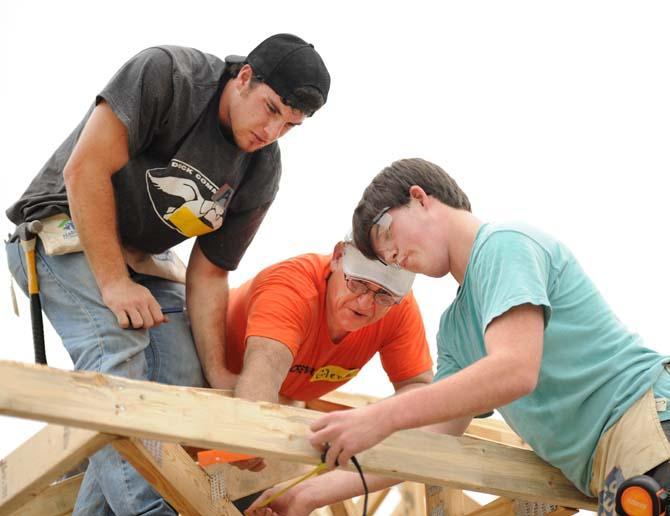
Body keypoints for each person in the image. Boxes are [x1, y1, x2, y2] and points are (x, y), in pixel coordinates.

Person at [5, 34, 330, 516]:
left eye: (290, 124)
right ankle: (151, 510)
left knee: (181, 375)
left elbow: (210, 273)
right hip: (64, 225)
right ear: (244, 78)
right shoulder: (169, 77)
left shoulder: (261, 169)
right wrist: (114, 284)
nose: (272, 130)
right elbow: (85, 170)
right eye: (269, 109)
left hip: (142, 258)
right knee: (118, 346)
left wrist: (218, 372)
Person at [302, 158, 670, 512]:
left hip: (647, 424)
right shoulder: (456, 330)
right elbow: (432, 435)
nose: (392, 255)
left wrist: (380, 417)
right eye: (384, 257)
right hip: (612, 470)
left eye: (385, 232)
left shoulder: (505, 244)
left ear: (419, 198)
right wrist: (306, 496)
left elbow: (514, 369)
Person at [224, 241, 433, 475]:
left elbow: (418, 389)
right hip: (216, 380)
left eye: (383, 295)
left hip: (281, 402)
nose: (365, 303)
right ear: (338, 257)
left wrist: (371, 420)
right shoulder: (293, 286)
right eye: (358, 283)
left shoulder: (399, 309)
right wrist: (251, 431)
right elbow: (266, 368)